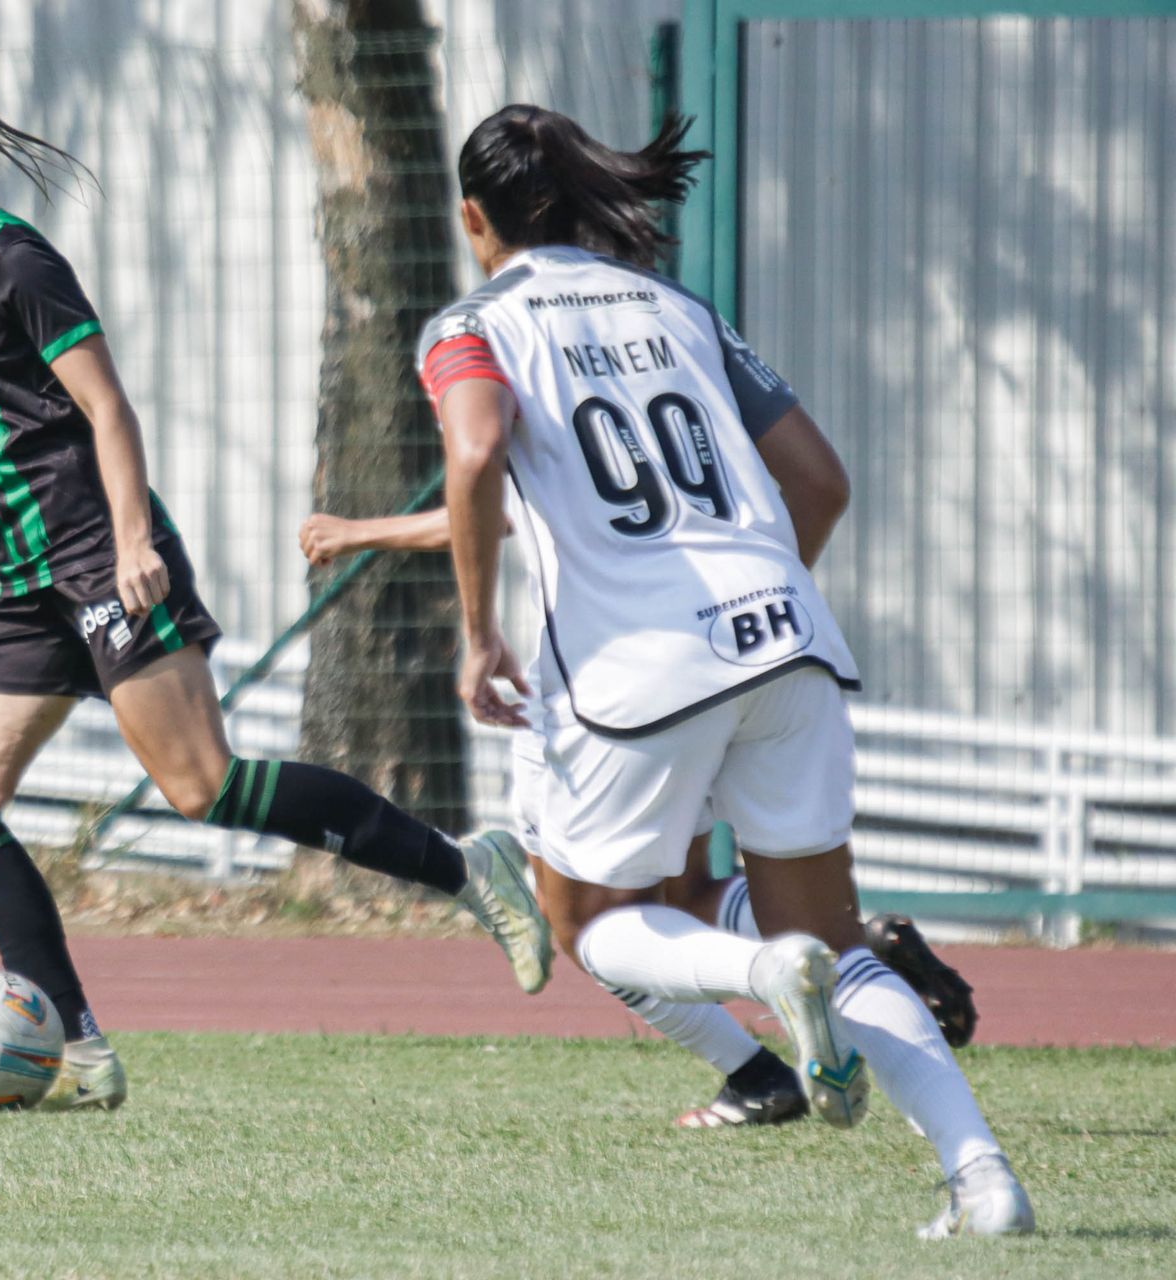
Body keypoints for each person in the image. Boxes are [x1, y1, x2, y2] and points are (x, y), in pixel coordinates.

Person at [0, 28, 549, 1112]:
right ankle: (75, 1042)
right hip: (32, 582)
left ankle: (464, 869)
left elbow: (107, 407)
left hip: (100, 562)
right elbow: (24, 418)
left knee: (202, 786)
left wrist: (129, 544)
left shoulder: (17, 260)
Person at [420, 102, 1031, 1236]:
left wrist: (477, 630)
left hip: (632, 670)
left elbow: (473, 446)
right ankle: (983, 1177)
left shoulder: (472, 323)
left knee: (592, 924)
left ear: (474, 217)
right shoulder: (681, 309)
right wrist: (750, 611)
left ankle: (765, 973)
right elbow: (821, 480)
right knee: (843, 946)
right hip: (785, 635)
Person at [297, 509, 978, 1128]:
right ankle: (854, 952)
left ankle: (758, 1059)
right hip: (735, 654)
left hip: (603, 695)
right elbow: (820, 481)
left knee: (589, 921)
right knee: (691, 893)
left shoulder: (540, 375)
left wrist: (361, 535)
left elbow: (488, 491)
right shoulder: (689, 372)